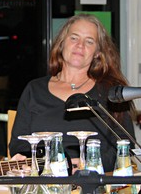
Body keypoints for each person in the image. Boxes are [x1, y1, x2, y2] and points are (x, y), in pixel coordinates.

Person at [9, 13, 136, 173]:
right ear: (62, 43)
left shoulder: (111, 92)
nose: (80, 45)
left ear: (98, 52)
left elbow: (126, 148)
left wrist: (89, 163)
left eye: (89, 41)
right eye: (74, 38)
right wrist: (43, 164)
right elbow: (18, 145)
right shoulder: (34, 89)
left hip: (94, 184)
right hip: (44, 180)